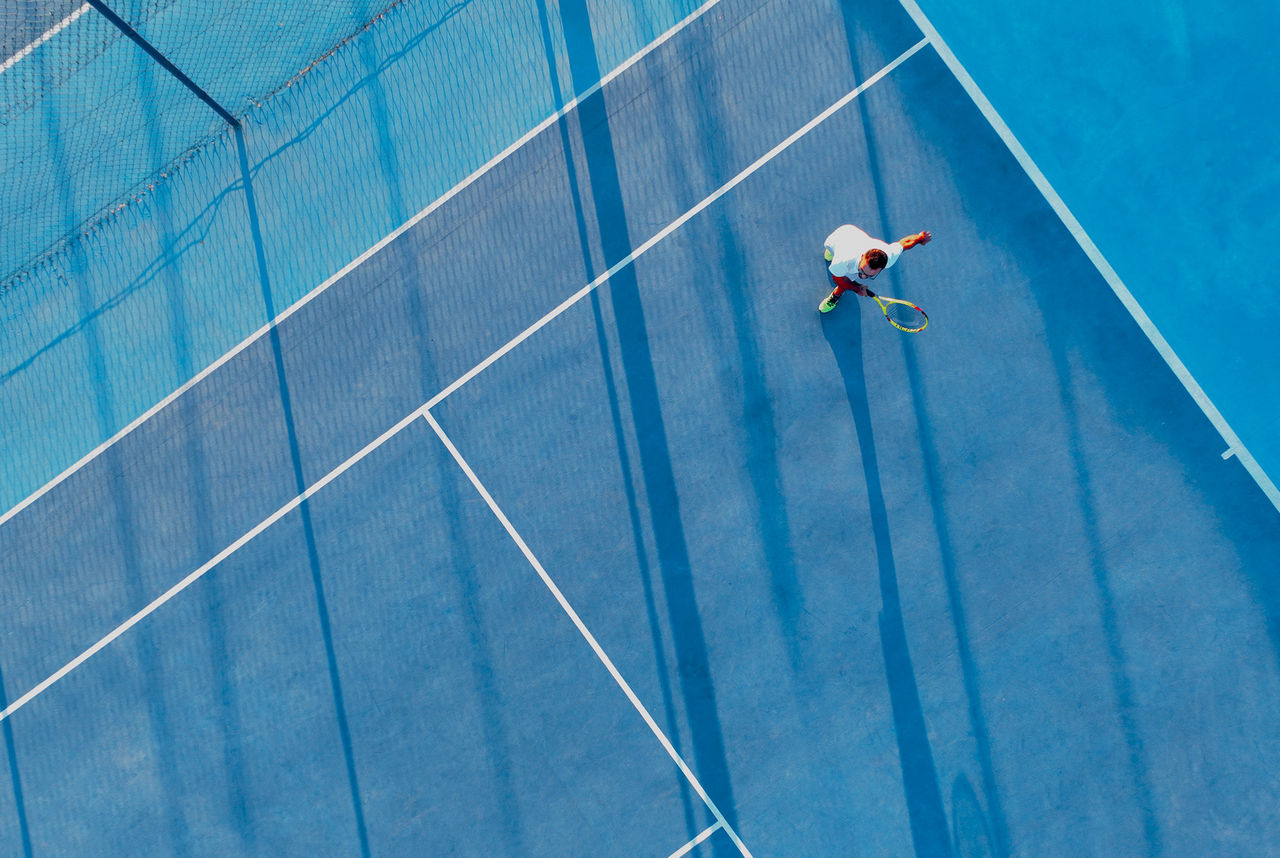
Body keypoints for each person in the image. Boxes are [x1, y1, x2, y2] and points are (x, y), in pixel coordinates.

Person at [819, 223, 931, 313]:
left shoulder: (889, 257)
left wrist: (919, 238)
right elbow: (839, 280)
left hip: (853, 243)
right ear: (863, 256)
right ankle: (835, 295)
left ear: (882, 268)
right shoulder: (843, 260)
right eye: (862, 270)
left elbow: (904, 243)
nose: (862, 276)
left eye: (869, 275)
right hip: (841, 236)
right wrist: (857, 288)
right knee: (840, 275)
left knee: (847, 275)